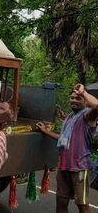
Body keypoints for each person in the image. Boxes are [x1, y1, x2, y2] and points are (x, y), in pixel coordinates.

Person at [37, 84, 98, 213]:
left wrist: (84, 93)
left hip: (79, 168)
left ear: (85, 101)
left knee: (82, 206)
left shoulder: (87, 116)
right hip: (64, 166)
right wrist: (45, 131)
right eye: (72, 98)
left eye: (78, 98)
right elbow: (63, 138)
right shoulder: (70, 117)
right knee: (61, 202)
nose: (74, 100)